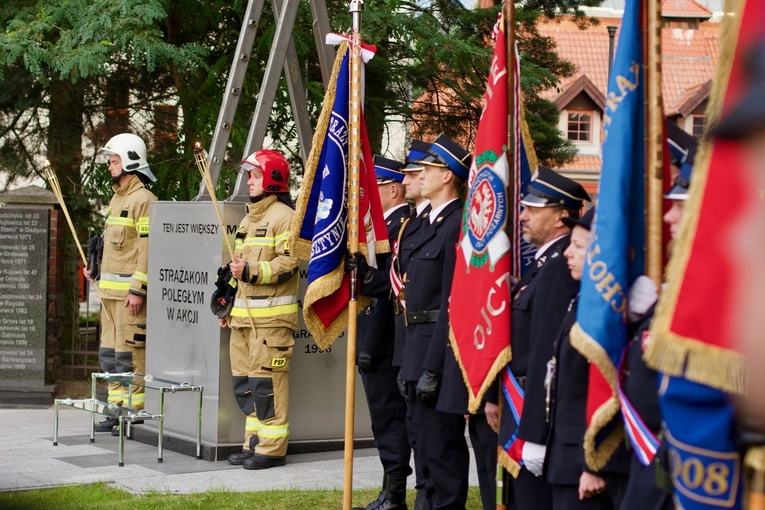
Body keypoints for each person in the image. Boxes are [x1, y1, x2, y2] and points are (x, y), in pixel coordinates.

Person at [617, 123, 697, 510]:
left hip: (694, 467)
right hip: (655, 457)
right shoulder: (683, 281)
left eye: (680, 206)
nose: (667, 217)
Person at [509, 167, 590, 510]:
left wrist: (535, 435)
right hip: (524, 404)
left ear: (560, 217)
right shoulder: (544, 264)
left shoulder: (560, 267)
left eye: (533, 209)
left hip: (536, 411)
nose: (523, 216)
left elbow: (548, 354)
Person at [399, 134, 471, 510]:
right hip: (416, 348)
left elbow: (451, 302)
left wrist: (434, 366)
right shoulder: (425, 224)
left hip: (437, 355)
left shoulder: (457, 225)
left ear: (447, 176)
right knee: (422, 446)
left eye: (428, 169)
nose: (419, 174)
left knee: (442, 450)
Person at [544, 207, 629, 510]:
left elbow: (606, 387)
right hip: (567, 457)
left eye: (579, 247)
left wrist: (595, 464)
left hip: (588, 459)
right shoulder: (583, 300)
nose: (567, 253)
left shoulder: (608, 311)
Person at [220, 149, 300, 470]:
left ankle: (272, 449)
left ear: (271, 179)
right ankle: (253, 444)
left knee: (267, 386)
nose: (248, 181)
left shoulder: (285, 216)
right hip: (243, 319)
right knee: (246, 385)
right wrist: (228, 305)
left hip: (271, 322)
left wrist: (250, 271)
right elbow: (238, 270)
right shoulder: (246, 220)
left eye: (254, 175)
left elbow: (289, 262)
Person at [84, 133, 157, 434]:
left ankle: (134, 412)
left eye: (114, 161)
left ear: (130, 161)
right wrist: (95, 267)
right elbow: (115, 248)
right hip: (109, 294)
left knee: (130, 356)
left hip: (129, 297)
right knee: (110, 356)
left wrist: (138, 289)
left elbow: (146, 249)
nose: (110, 167)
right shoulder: (117, 198)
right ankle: (115, 409)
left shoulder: (145, 201)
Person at [351, 156, 412, 510]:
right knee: (383, 419)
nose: (365, 196)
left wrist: (372, 344)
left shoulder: (401, 227)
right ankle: (390, 492)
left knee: (389, 418)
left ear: (391, 189)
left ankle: (395, 495)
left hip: (386, 340)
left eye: (373, 188)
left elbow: (394, 290)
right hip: (375, 334)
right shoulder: (382, 228)